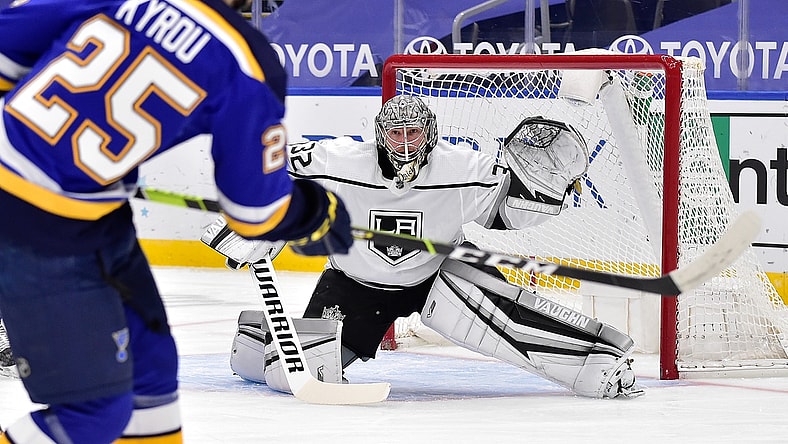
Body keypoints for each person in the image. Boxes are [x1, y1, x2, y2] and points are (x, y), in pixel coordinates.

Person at [0, 0, 352, 442]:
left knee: (151, 380)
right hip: (42, 227)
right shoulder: (247, 62)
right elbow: (255, 213)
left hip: (90, 218)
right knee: (92, 414)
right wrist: (315, 213)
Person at [205, 95, 645, 400]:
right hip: (355, 286)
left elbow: (508, 210)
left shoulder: (462, 169)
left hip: (441, 275)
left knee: (517, 325)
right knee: (288, 373)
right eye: (393, 135)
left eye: (412, 134)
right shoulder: (339, 162)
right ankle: (255, 339)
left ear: (430, 134)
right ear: (379, 135)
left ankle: (602, 362)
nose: (403, 144)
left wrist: (551, 188)